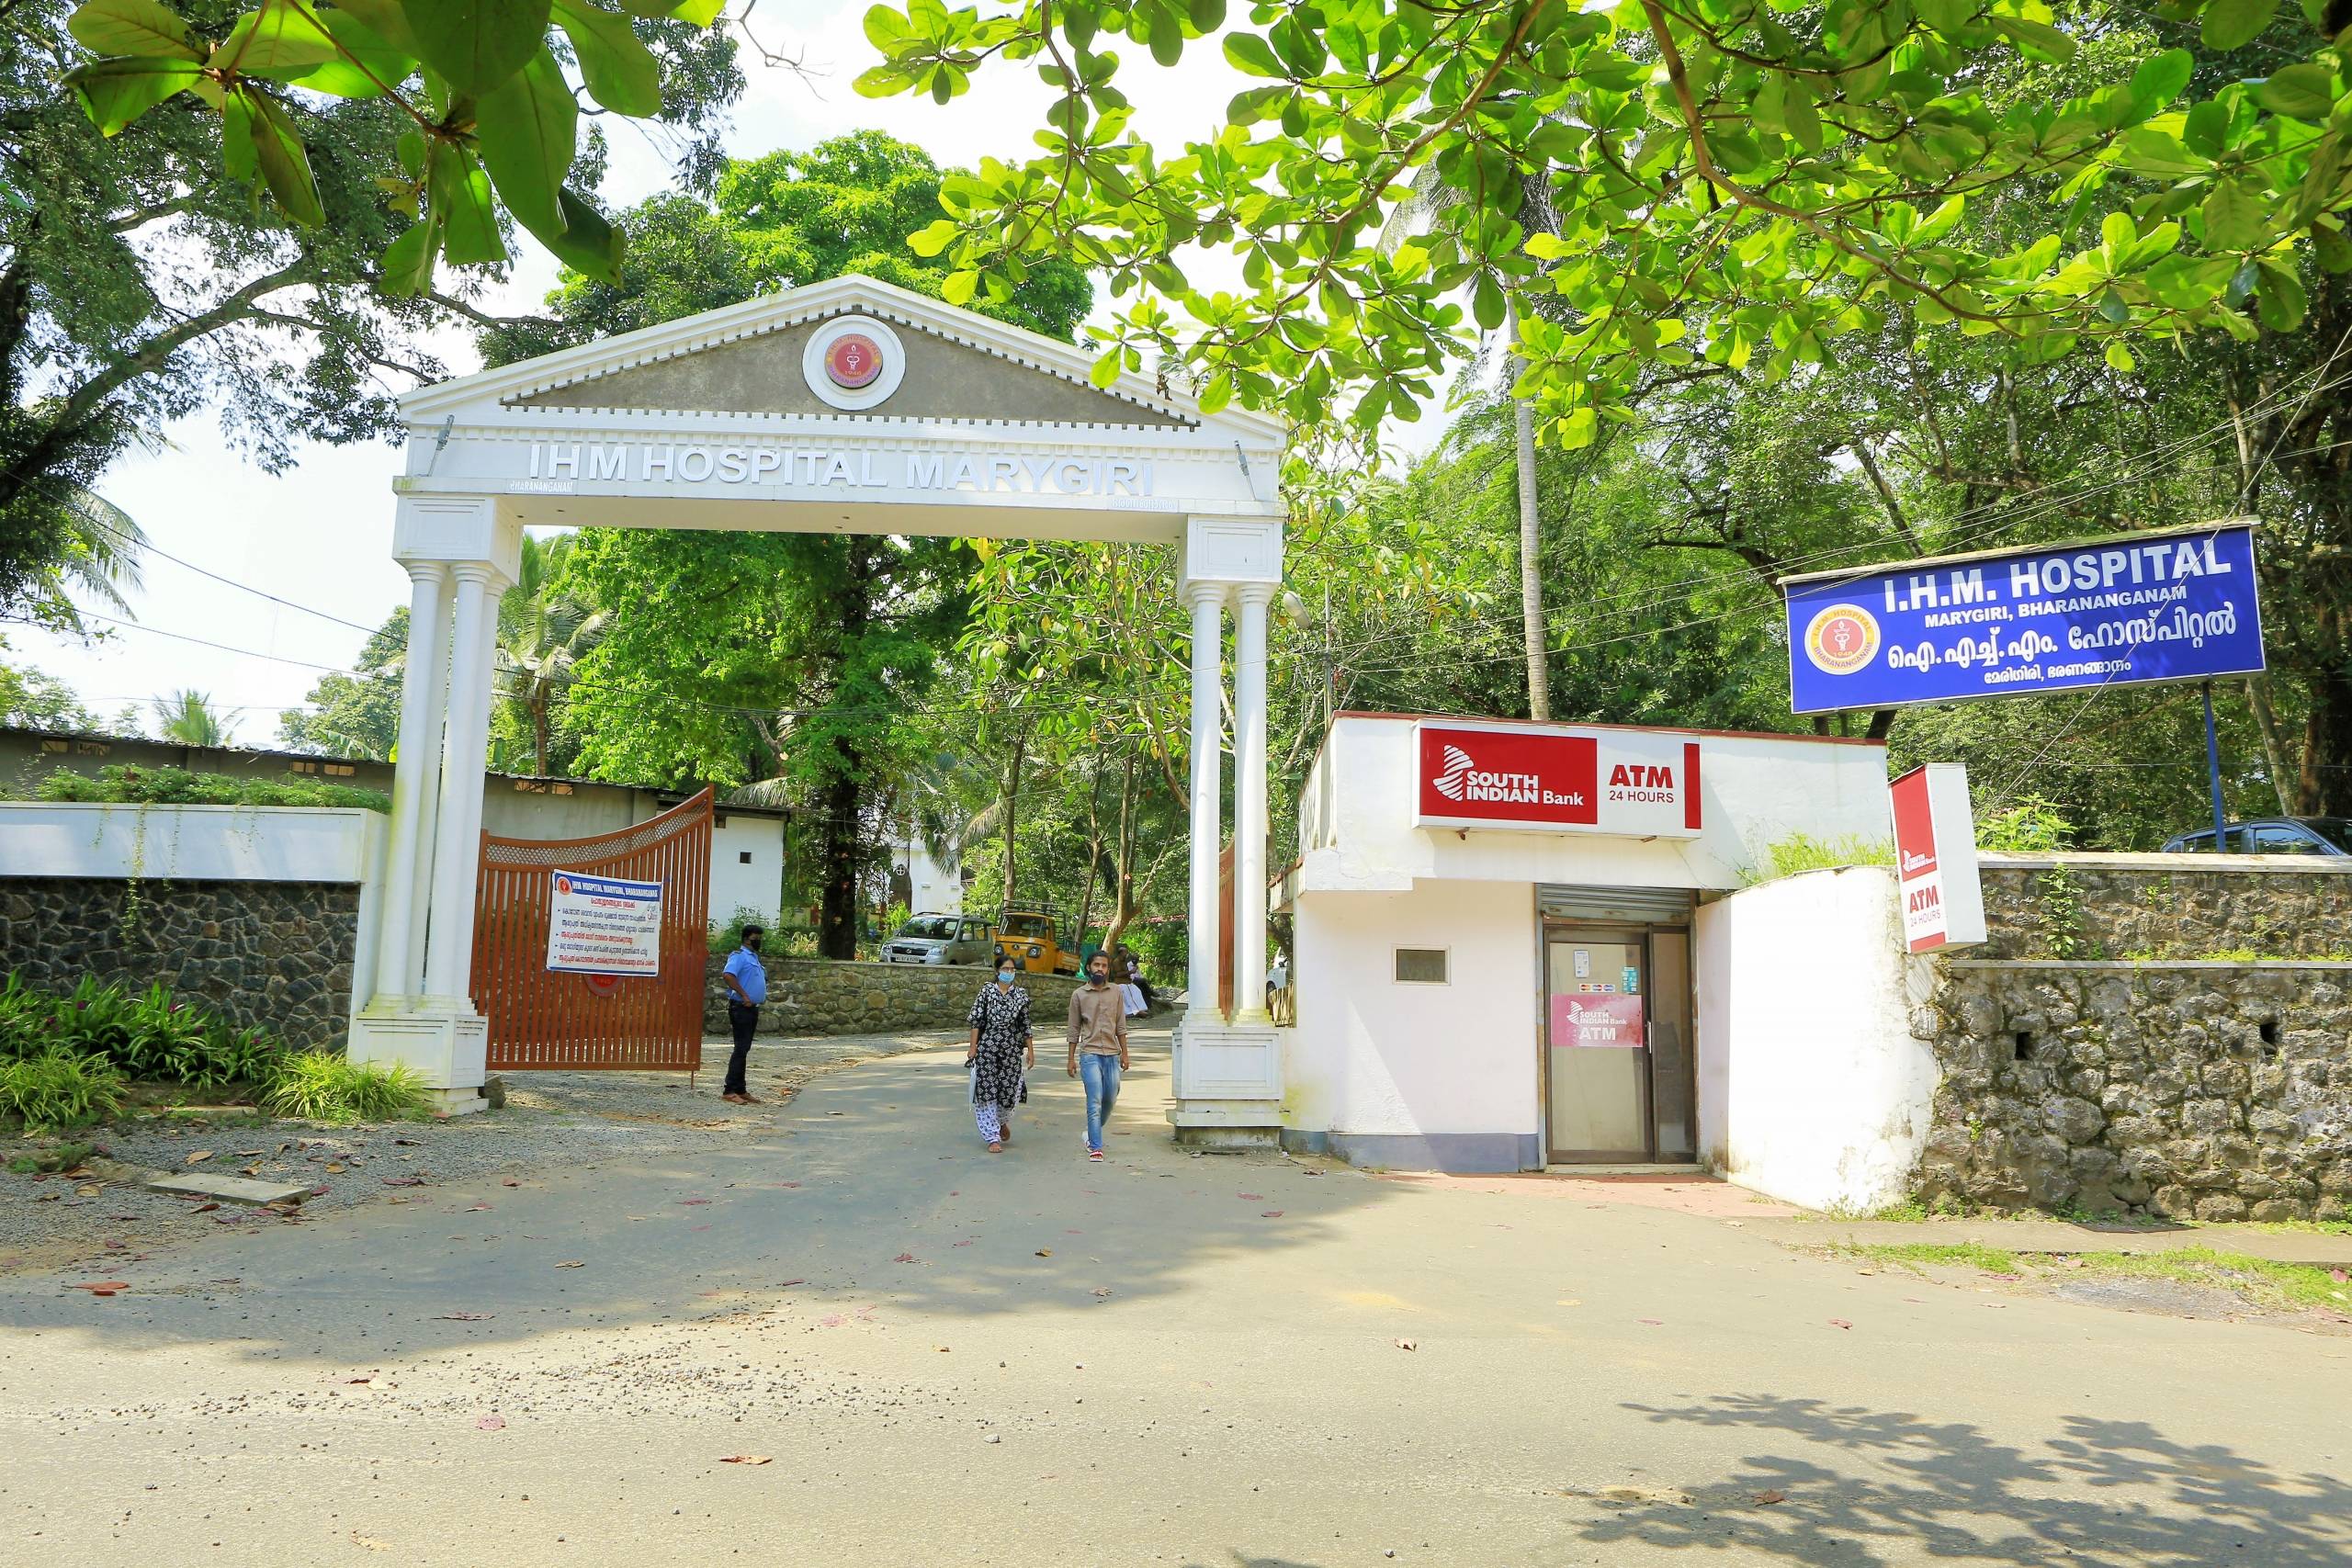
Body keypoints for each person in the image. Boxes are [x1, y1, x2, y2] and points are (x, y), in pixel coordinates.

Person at [1066, 949, 1129, 1160]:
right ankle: (1096, 1146)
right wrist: (1071, 1059)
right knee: (1094, 1101)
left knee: (1110, 1099)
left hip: (1112, 1054)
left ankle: (1090, 1132)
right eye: (1096, 965)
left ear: (1108, 969)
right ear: (1089, 967)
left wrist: (1125, 1054)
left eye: (1104, 966)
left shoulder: (1116, 992)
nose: (1100, 969)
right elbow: (1073, 1029)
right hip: (1090, 1054)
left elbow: (1121, 1025)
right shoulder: (1079, 995)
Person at [965, 961, 1034, 1153]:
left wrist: (1030, 1051)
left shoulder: (1020, 996)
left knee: (1010, 1089)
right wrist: (973, 1048)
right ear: (997, 971)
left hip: (1011, 1049)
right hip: (988, 1047)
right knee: (987, 1090)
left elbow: (1025, 1025)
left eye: (1012, 969)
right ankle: (992, 1136)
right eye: (1005, 969)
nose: (1009, 972)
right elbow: (976, 1021)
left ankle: (1002, 1122)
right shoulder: (987, 992)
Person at [719, 924, 766, 1105]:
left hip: (751, 1008)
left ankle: (740, 1089)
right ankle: (730, 1090)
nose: (759, 940)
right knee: (740, 1048)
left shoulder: (754, 957)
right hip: (741, 1007)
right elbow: (728, 975)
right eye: (756, 937)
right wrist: (745, 995)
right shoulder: (739, 956)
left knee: (744, 1048)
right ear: (747, 938)